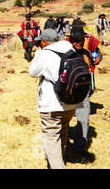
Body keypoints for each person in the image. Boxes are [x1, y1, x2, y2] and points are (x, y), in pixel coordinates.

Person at [29, 29, 84, 169]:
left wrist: (38, 54)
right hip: (72, 102)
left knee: (51, 138)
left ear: (43, 41)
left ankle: (57, 166)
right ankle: (58, 161)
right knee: (63, 131)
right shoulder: (70, 49)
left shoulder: (45, 54)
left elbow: (33, 72)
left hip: (52, 104)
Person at [66, 26, 102, 160]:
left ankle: (79, 147)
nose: (79, 42)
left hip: (84, 92)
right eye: (76, 40)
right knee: (63, 121)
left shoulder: (87, 53)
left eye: (81, 40)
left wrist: (99, 57)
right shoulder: (65, 52)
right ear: (70, 40)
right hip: (66, 92)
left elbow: (98, 54)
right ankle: (60, 145)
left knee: (84, 119)